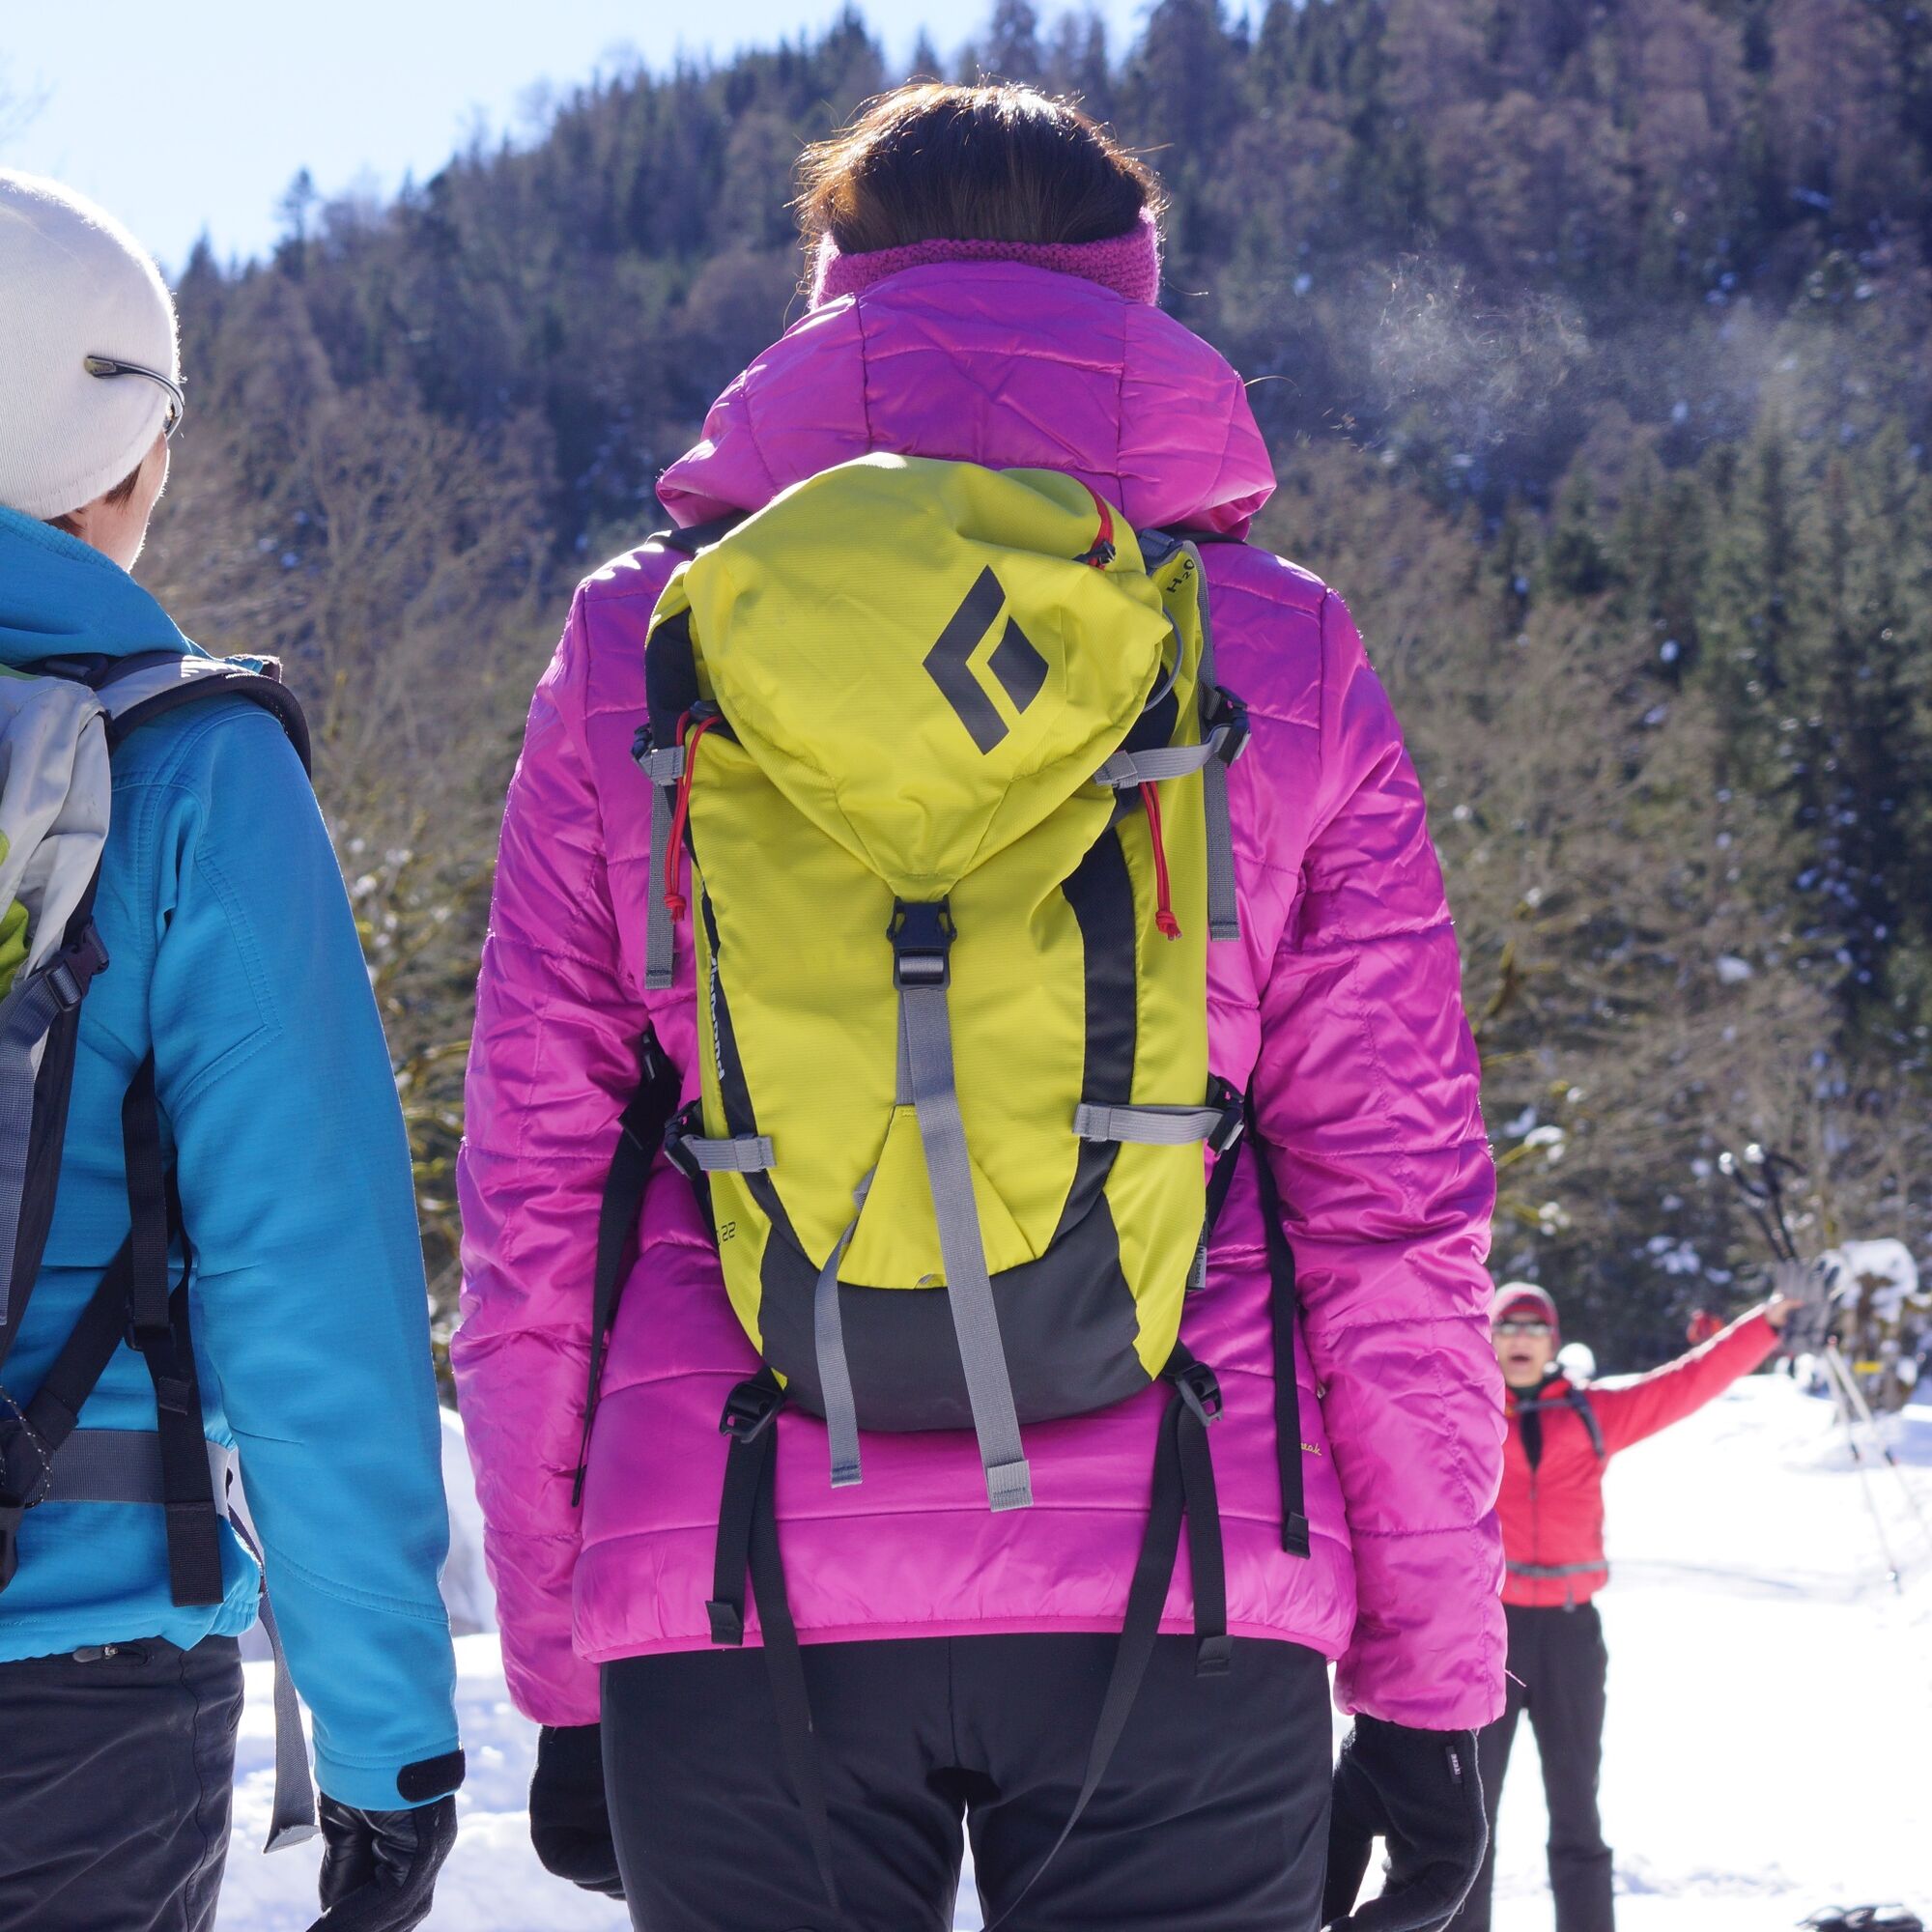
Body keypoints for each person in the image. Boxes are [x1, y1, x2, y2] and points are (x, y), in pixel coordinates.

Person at [457, 83, 1506, 1932]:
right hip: (1183, 1575)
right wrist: (1433, 1687)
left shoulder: (644, 645)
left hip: (735, 1580)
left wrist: (564, 1659)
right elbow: (1394, 1212)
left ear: (830, 293)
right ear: (1133, 297)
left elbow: (540, 1201)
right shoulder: (1275, 646)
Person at [0, 172, 462, 1932]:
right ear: (120, 459)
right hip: (75, 1670)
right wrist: (388, 1744)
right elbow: (307, 1277)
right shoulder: (190, 766)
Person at [1449, 1280, 1793, 1932]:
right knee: (1472, 1819)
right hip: (1489, 1637)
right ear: (1487, 1337)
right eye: (1507, 1326)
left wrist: (1768, 1322)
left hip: (1572, 1635)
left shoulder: (1591, 1414)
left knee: (1577, 1811)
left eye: (1534, 1328)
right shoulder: (1463, 1417)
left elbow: (1686, 1383)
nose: (1520, 1339)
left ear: (1553, 1342)